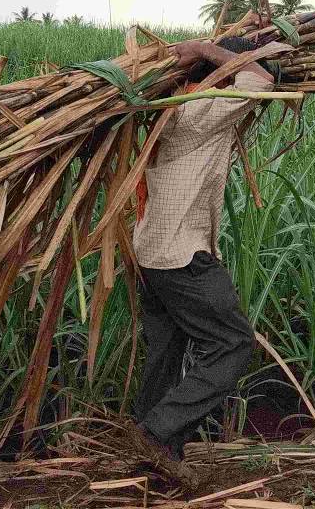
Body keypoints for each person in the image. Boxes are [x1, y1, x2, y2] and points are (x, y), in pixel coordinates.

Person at [124, 36, 285, 487]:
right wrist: (209, 50)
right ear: (215, 77)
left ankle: (152, 449)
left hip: (151, 252)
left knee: (168, 347)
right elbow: (260, 79)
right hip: (180, 254)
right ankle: (159, 433)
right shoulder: (200, 111)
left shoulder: (168, 111)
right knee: (233, 343)